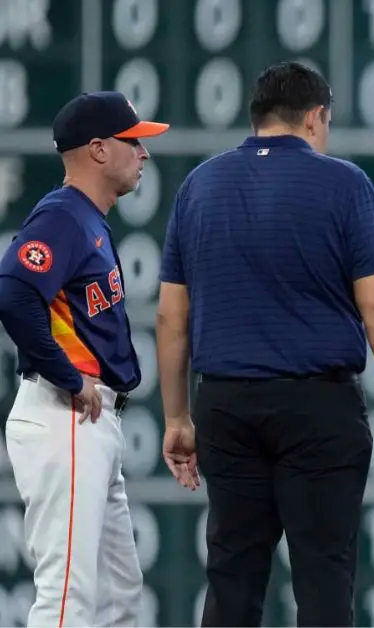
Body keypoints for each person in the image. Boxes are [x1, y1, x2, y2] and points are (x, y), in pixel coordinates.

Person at [154, 61, 374, 626]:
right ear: (315, 118)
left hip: (225, 405)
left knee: (232, 577)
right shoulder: (344, 183)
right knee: (324, 577)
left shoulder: (199, 185)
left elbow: (170, 316)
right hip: (318, 407)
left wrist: (177, 417)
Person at [0, 91, 169, 626]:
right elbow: (11, 292)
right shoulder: (65, 217)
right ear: (98, 150)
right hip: (64, 415)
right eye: (133, 142)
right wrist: (68, 375)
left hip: (86, 421)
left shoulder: (87, 219)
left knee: (119, 596)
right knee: (68, 597)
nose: (143, 154)